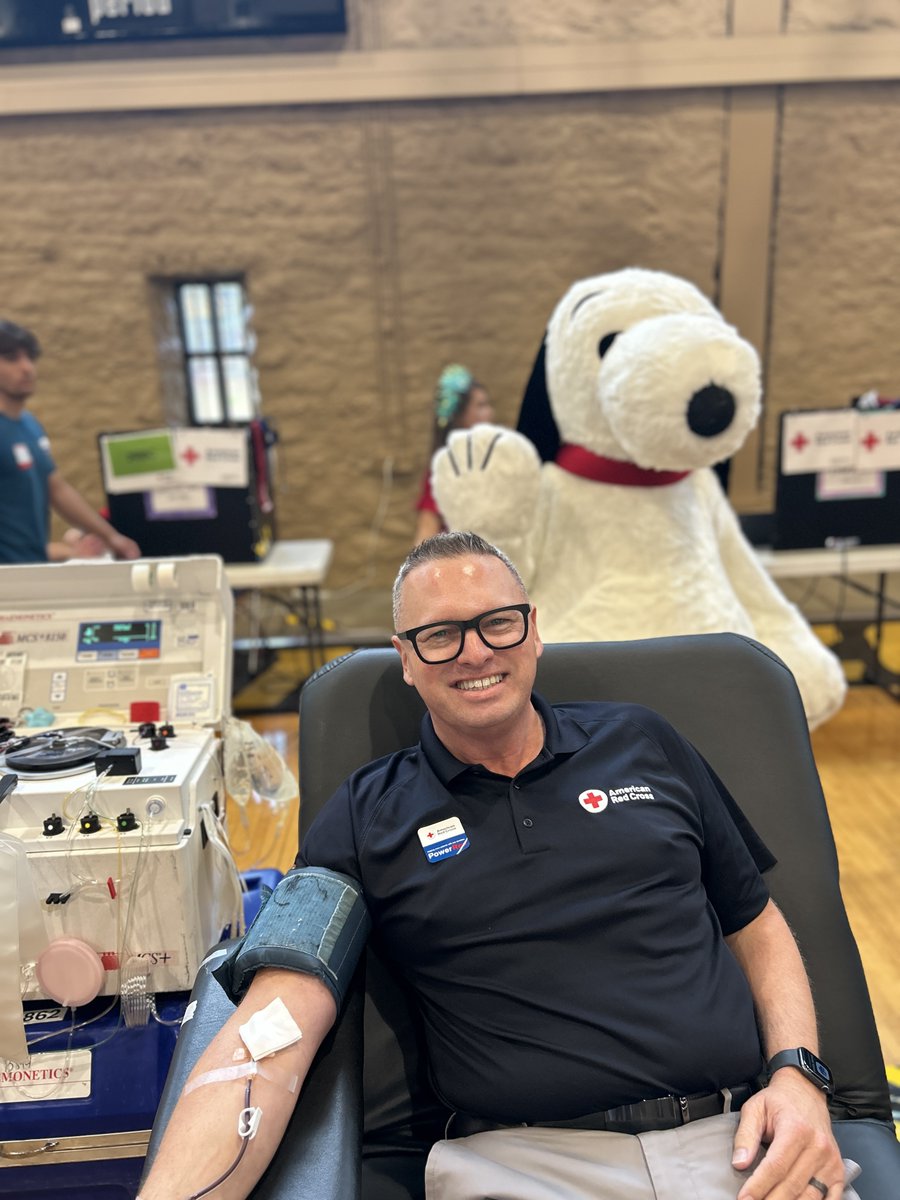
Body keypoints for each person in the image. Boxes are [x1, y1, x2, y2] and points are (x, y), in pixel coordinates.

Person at [141, 531, 853, 1200]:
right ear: (407, 660)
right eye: (440, 635)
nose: (475, 652)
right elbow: (272, 1028)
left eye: (497, 623)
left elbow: (755, 923)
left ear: (532, 629)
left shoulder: (644, 742)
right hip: (519, 1166)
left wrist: (798, 1077)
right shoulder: (368, 813)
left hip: (734, 1145)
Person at [0, 319, 141, 564]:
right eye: (12, 358)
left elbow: (56, 488)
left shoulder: (29, 425)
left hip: (31, 568)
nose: (27, 368)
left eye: (30, 358)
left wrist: (110, 537)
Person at [414, 364, 495, 544]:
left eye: (488, 405)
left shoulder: (496, 461)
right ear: (459, 416)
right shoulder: (445, 470)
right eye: (481, 406)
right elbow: (427, 530)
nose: (489, 412)